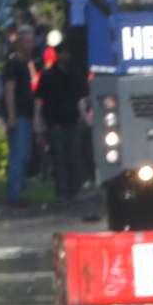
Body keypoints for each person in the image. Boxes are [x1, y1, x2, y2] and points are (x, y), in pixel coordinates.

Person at [34, 43, 89, 199]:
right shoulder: (48, 76)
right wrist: (39, 124)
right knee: (59, 158)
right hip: (55, 122)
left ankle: (74, 189)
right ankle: (62, 191)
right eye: (61, 53)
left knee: (74, 158)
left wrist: (84, 119)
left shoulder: (75, 76)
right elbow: (39, 100)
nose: (64, 56)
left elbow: (80, 101)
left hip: (72, 122)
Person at [0, 27, 38, 204]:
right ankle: (12, 195)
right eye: (27, 41)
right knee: (18, 154)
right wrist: (11, 115)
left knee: (26, 155)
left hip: (27, 115)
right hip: (19, 115)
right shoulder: (13, 64)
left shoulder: (26, 64)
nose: (30, 45)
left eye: (31, 41)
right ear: (20, 43)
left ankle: (19, 191)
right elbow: (9, 90)